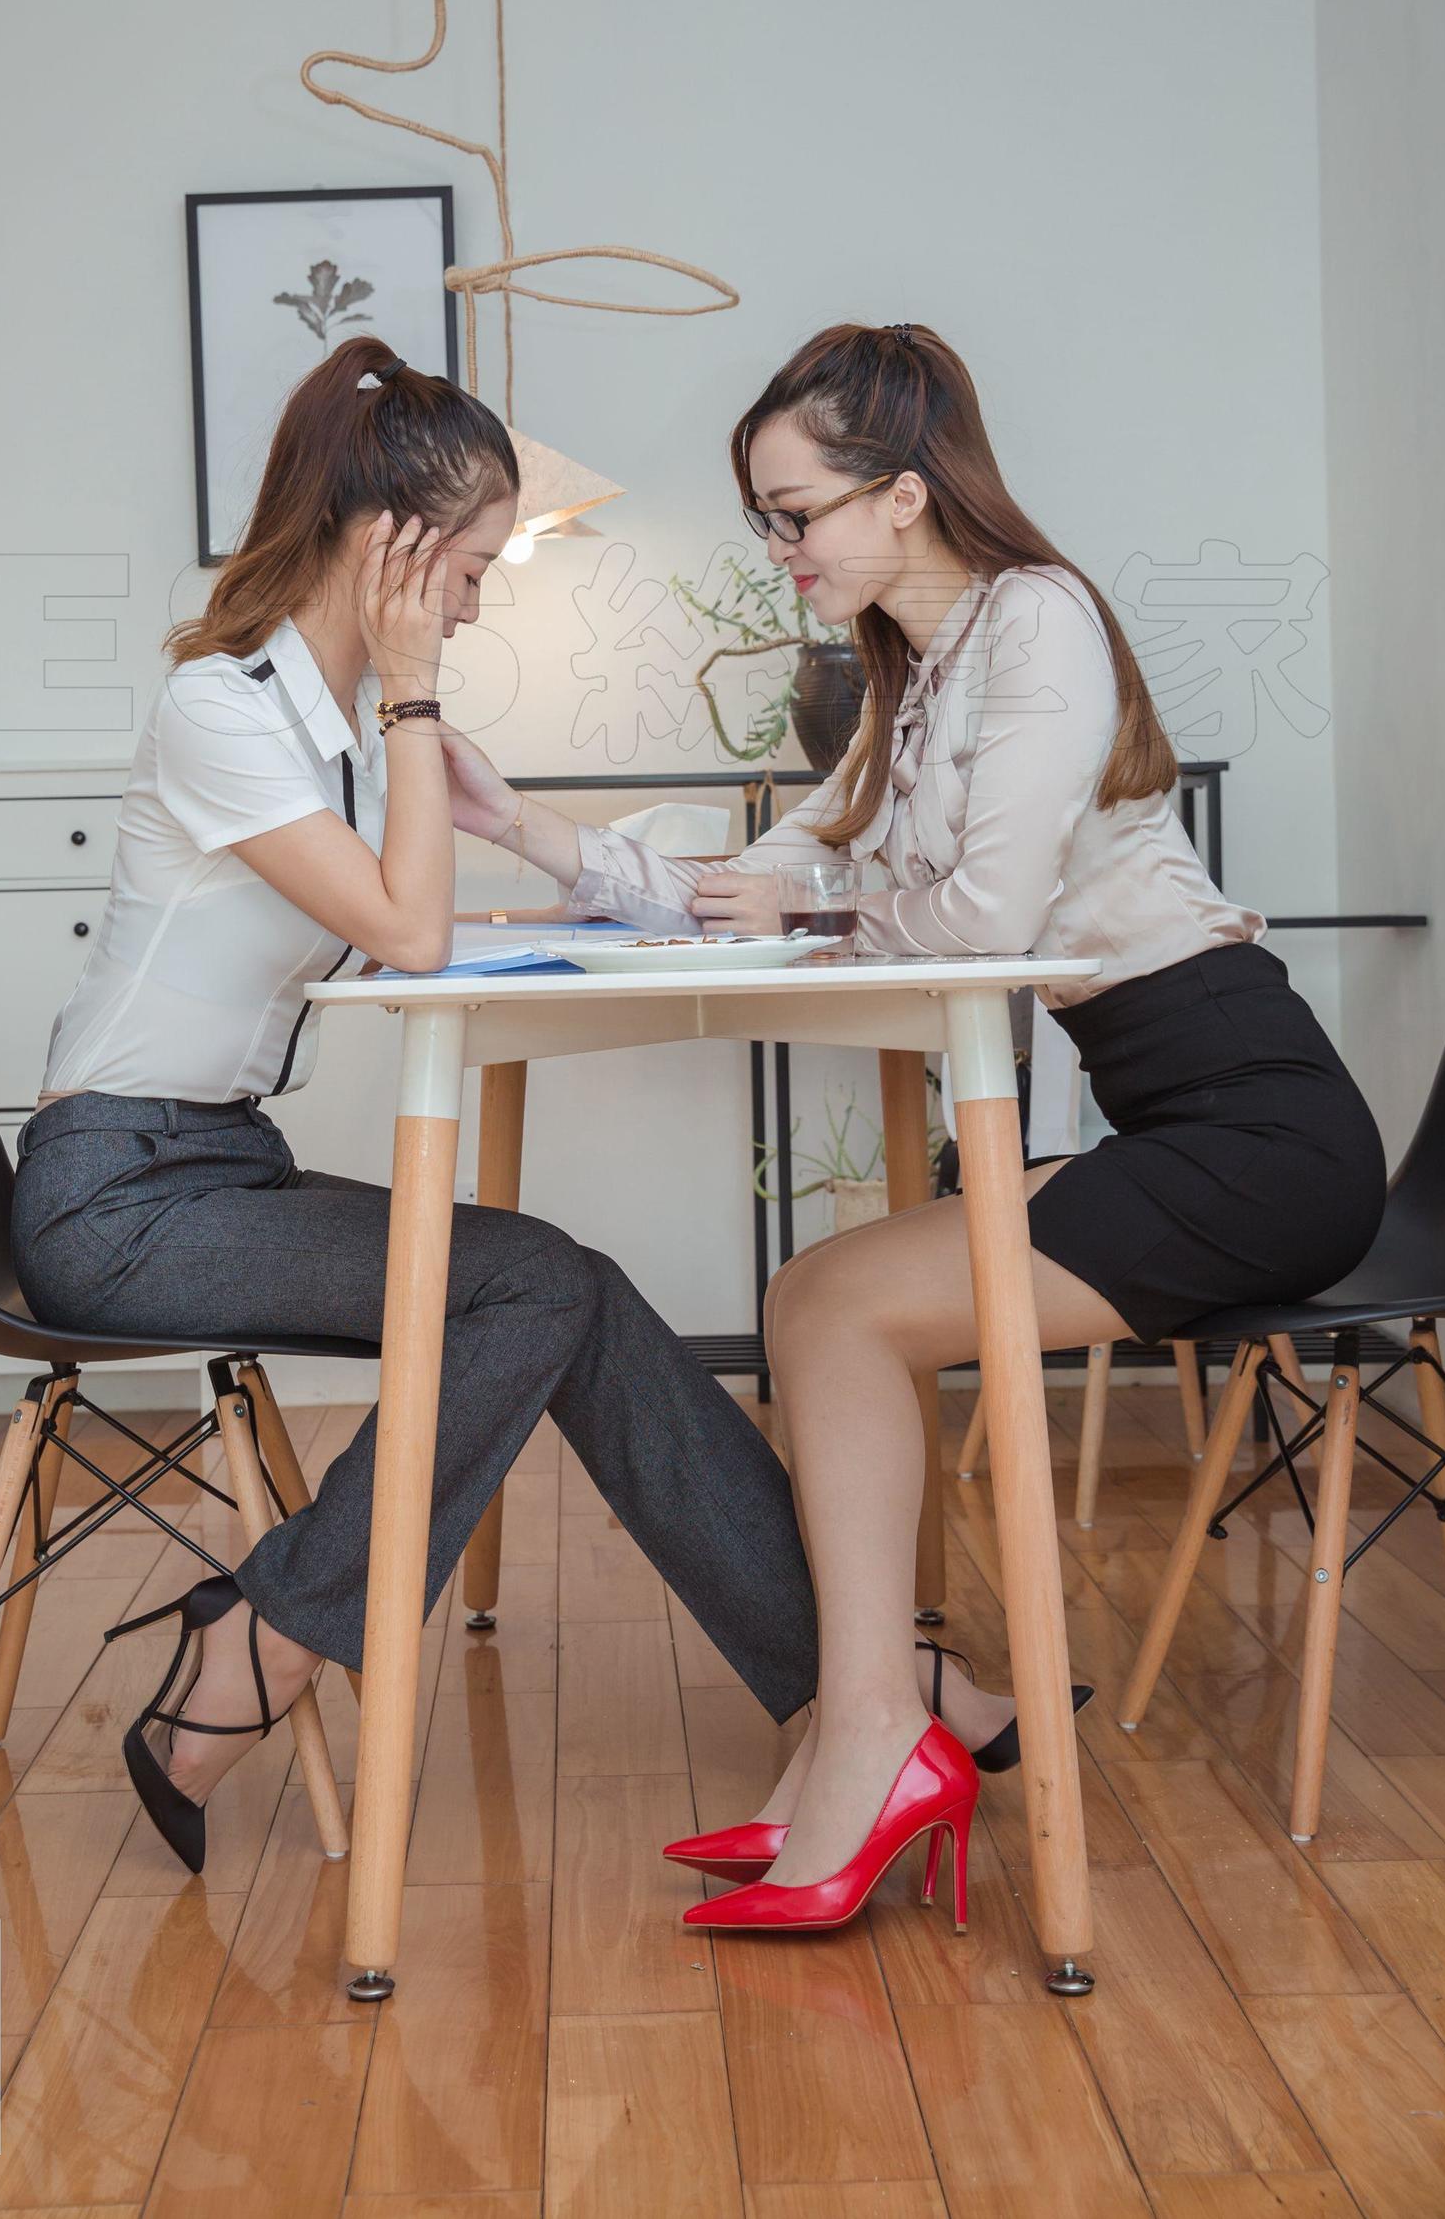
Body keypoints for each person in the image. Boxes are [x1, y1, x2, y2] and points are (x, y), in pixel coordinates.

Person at [441, 318, 1387, 1935]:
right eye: (766, 517)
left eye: (794, 512)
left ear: (904, 492)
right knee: (818, 1299)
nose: (778, 549)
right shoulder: (919, 673)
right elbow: (768, 870)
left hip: (1261, 1135)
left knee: (842, 1311)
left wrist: (814, 901)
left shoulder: (1041, 623)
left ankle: (879, 1731)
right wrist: (518, 820)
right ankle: (880, 1724)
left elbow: (985, 911)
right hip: (1172, 1121)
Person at [9, 334, 821, 1874]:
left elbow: (469, 867)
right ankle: (266, 1642)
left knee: (553, 1286)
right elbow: (410, 934)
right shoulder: (224, 710)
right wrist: (418, 699)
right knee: (532, 1286)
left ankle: (854, 1689)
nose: (476, 600)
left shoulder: (349, 728)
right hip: (112, 1200)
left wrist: (541, 829)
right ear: (391, 545)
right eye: (471, 570)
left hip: (217, 1170)